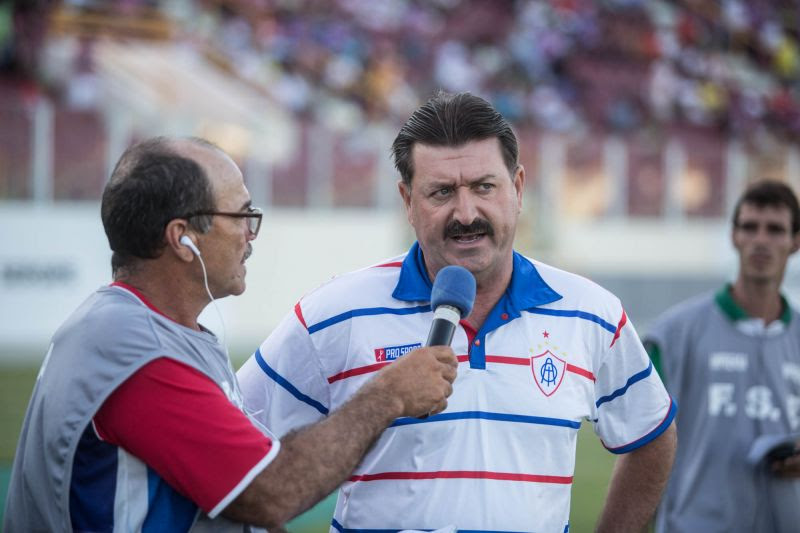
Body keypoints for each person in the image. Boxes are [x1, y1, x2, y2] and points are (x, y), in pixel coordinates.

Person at [237, 91, 677, 532]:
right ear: (408, 201)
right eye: (441, 192)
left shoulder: (591, 313)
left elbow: (652, 436)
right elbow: (232, 445)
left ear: (518, 188)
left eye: (484, 187)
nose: (466, 213)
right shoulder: (334, 313)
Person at [3, 136, 457, 532]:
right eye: (240, 215)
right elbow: (270, 492)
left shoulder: (144, 330)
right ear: (183, 238)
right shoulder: (140, 354)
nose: (250, 234)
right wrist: (388, 395)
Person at [645, 179, 800, 533]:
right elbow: (639, 449)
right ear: (734, 236)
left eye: (775, 230)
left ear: (795, 242)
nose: (761, 239)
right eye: (750, 227)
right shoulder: (672, 334)